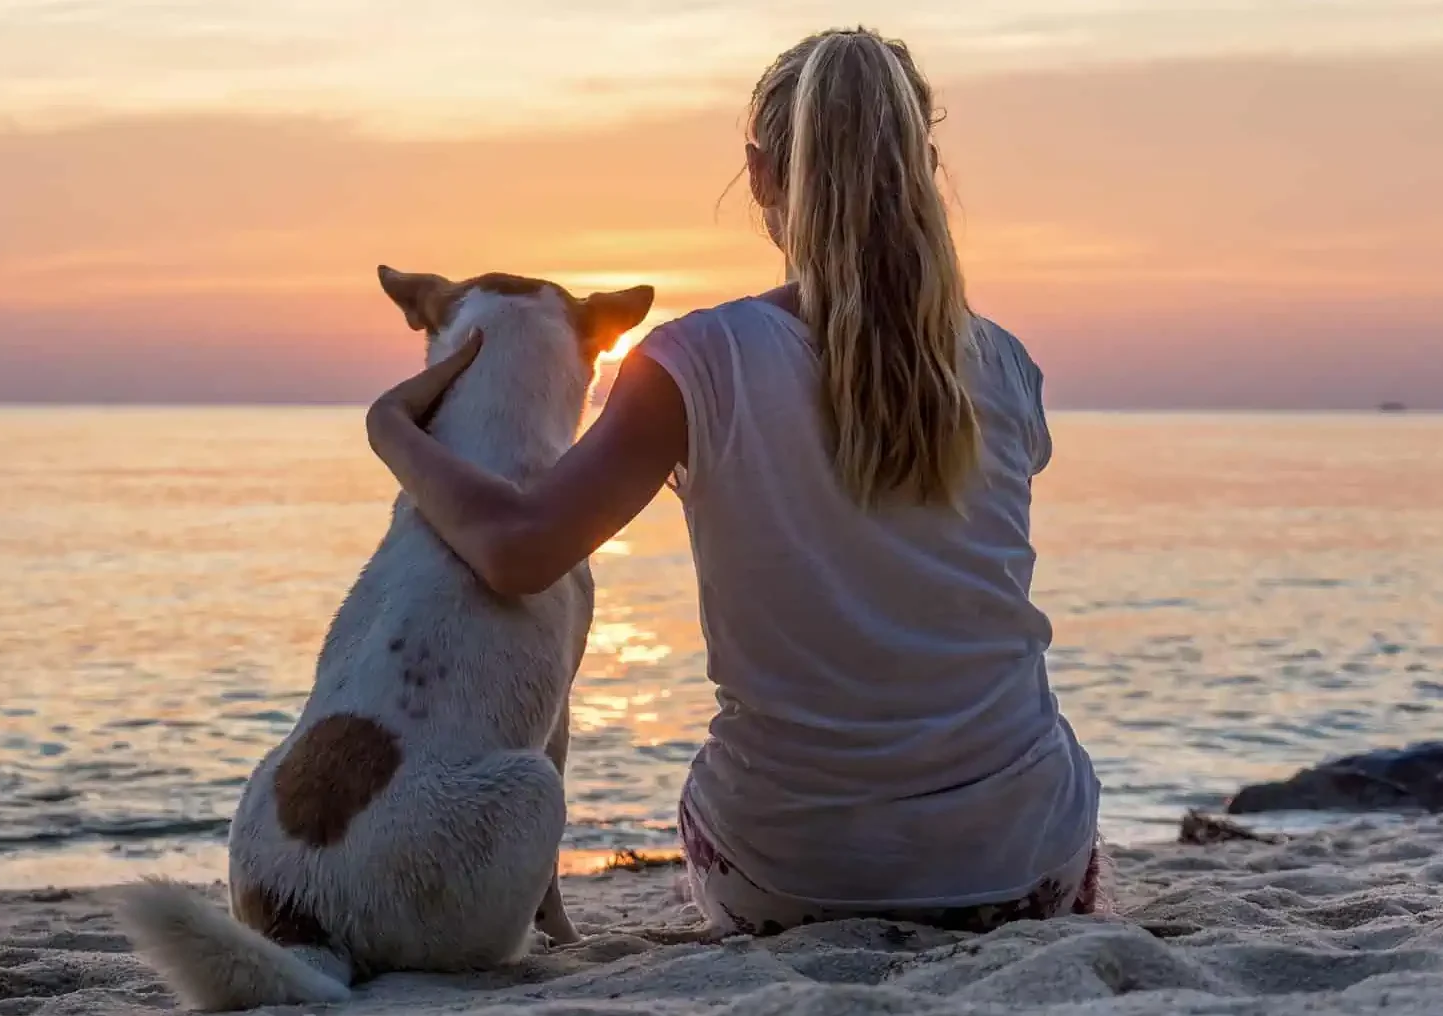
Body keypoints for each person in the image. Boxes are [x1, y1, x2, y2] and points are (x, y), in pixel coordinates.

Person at [365, 26, 1106, 936]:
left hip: (788, 874)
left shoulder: (694, 362)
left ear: (760, 176)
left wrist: (391, 427)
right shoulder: (1004, 365)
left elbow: (518, 552)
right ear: (925, 164)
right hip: (1024, 864)